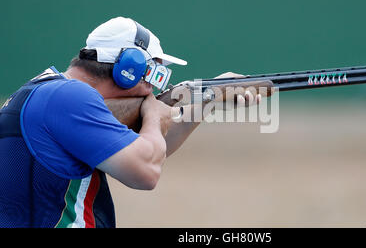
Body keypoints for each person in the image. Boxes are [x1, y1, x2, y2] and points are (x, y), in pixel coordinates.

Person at [0, 17, 260, 228]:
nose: (155, 87)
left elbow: (156, 147)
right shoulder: (70, 97)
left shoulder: (50, 92)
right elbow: (145, 170)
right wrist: (155, 116)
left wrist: (209, 98)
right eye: (156, 74)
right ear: (130, 68)